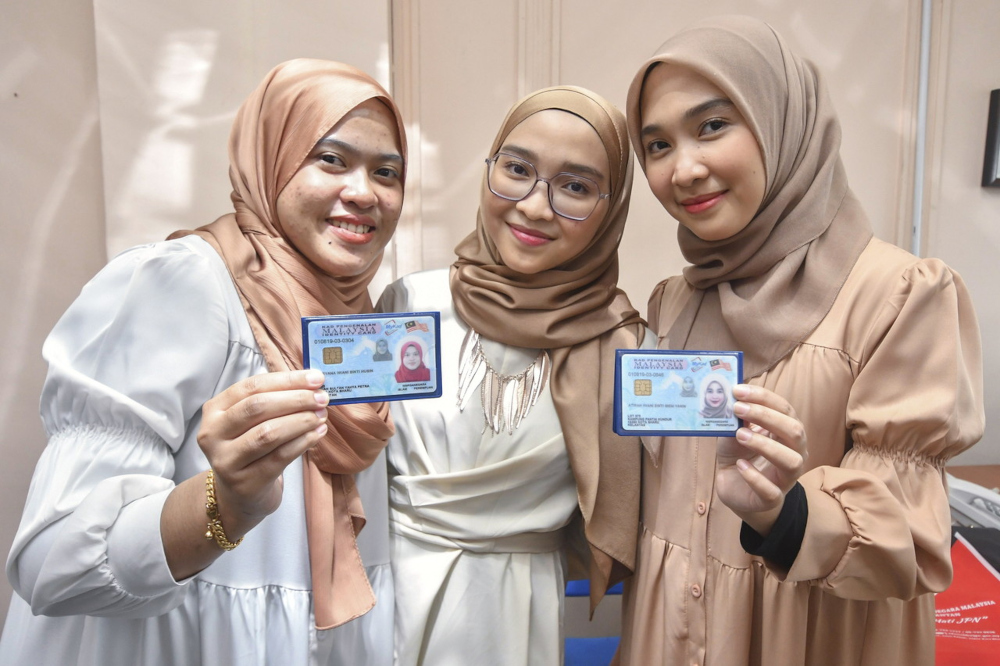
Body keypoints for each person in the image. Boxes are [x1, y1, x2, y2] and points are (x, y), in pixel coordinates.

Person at [0, 59, 407, 666]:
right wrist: (223, 504)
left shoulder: (363, 323)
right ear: (269, 158)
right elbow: (54, 561)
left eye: (387, 172)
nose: (364, 191)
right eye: (330, 159)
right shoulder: (182, 284)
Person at [616, 15, 984, 666]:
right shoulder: (674, 302)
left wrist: (785, 516)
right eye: (657, 145)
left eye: (712, 125)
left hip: (813, 641)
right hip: (671, 636)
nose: (685, 168)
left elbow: (913, 542)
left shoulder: (901, 296)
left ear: (783, 121)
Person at [376, 86, 650, 665]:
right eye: (518, 169)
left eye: (575, 187)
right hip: (388, 600)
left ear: (613, 206)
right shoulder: (409, 302)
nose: (533, 206)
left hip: (519, 617)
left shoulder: (623, 345)